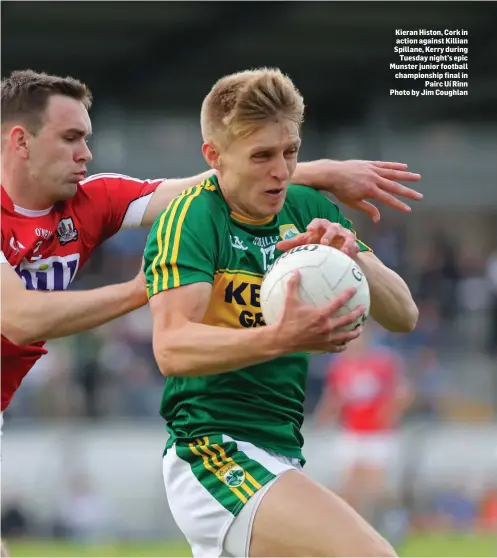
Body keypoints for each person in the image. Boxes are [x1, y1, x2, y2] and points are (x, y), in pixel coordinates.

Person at [0, 69, 423, 416]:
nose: (86, 153)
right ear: (21, 141)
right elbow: (20, 320)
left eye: (86, 139)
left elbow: (208, 184)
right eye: (71, 138)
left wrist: (324, 171)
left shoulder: (94, 199)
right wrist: (140, 289)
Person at [144, 67, 419, 557]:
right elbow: (171, 346)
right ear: (214, 157)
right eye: (262, 156)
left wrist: (350, 257)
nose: (281, 171)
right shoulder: (193, 217)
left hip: (282, 452)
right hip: (212, 449)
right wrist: (284, 337)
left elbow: (404, 314)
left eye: (290, 152)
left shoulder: (310, 207)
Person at [313, 325, 413, 526]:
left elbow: (404, 391)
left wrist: (392, 410)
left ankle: (391, 521)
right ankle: (356, 528)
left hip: (379, 434)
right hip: (353, 432)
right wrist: (324, 416)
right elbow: (335, 397)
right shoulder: (339, 366)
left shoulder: (383, 362)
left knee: (375, 488)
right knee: (348, 486)